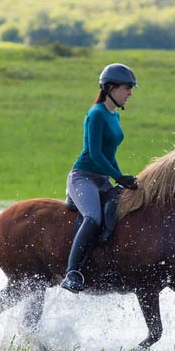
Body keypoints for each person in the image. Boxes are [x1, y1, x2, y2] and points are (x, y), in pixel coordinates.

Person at [61, 63, 140, 293]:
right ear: (110, 88)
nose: (130, 93)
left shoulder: (113, 115)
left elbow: (109, 155)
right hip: (83, 177)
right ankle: (72, 272)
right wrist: (117, 177)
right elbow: (95, 155)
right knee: (93, 217)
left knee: (122, 208)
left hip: (102, 179)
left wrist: (123, 179)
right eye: (127, 88)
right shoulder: (96, 115)